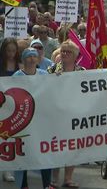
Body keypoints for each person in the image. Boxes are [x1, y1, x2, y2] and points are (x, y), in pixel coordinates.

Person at [13, 48, 52, 189]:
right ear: (24, 59)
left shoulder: (44, 74)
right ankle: (24, 185)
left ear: (37, 59)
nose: (31, 59)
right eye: (29, 56)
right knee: (24, 153)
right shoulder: (16, 76)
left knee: (44, 153)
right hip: (24, 120)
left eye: (34, 56)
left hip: (41, 120)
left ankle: (47, 184)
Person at [48, 40, 85, 188]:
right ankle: (54, 178)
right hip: (56, 114)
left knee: (72, 146)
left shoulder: (82, 72)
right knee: (56, 145)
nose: (64, 54)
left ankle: (68, 178)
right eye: (62, 51)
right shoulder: (51, 70)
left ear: (75, 55)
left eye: (68, 51)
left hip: (74, 114)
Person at [0, 37, 19, 182]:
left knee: (10, 137)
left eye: (13, 51)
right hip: (1, 103)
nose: (11, 54)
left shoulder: (20, 65)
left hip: (14, 105)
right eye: (8, 51)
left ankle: (7, 170)